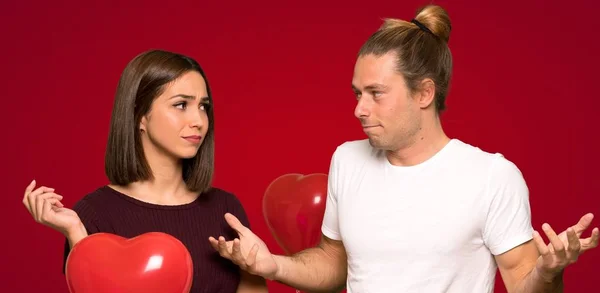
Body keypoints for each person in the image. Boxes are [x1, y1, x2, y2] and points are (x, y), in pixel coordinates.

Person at [208, 4, 599, 293]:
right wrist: (271, 264)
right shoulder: (347, 160)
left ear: (425, 92)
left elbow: (522, 283)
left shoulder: (491, 177)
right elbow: (334, 264)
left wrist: (548, 273)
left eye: (376, 93)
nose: (359, 109)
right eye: (358, 93)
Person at [22, 49, 267, 293]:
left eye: (203, 107)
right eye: (181, 105)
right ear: (141, 116)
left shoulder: (226, 209)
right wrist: (76, 233)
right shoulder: (94, 214)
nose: (199, 121)